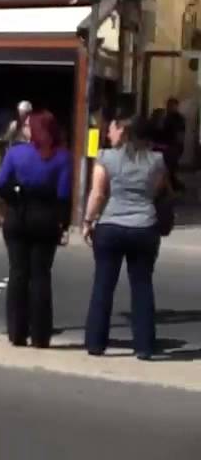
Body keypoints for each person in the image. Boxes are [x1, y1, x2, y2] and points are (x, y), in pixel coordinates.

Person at [81, 111, 167, 360]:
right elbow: (155, 191)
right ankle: (144, 346)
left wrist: (88, 221)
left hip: (111, 226)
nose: (108, 132)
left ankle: (96, 343)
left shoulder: (106, 157)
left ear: (123, 131)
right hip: (144, 226)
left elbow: (97, 194)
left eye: (112, 127)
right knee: (142, 286)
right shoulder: (157, 160)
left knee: (103, 285)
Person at [0, 110, 72, 349]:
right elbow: (63, 195)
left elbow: (0, 185)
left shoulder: (16, 154)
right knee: (40, 276)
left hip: (18, 217)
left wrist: (15, 197)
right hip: (46, 219)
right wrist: (63, 223)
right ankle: (40, 335)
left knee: (18, 273)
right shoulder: (62, 157)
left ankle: (17, 332)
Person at [162, 97, 186, 192]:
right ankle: (171, 185)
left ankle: (172, 186)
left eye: (171, 105)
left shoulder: (178, 119)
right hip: (167, 145)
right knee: (168, 168)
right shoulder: (167, 117)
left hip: (173, 146)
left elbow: (180, 134)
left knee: (171, 167)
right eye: (168, 105)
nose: (169, 107)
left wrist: (179, 147)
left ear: (176, 106)